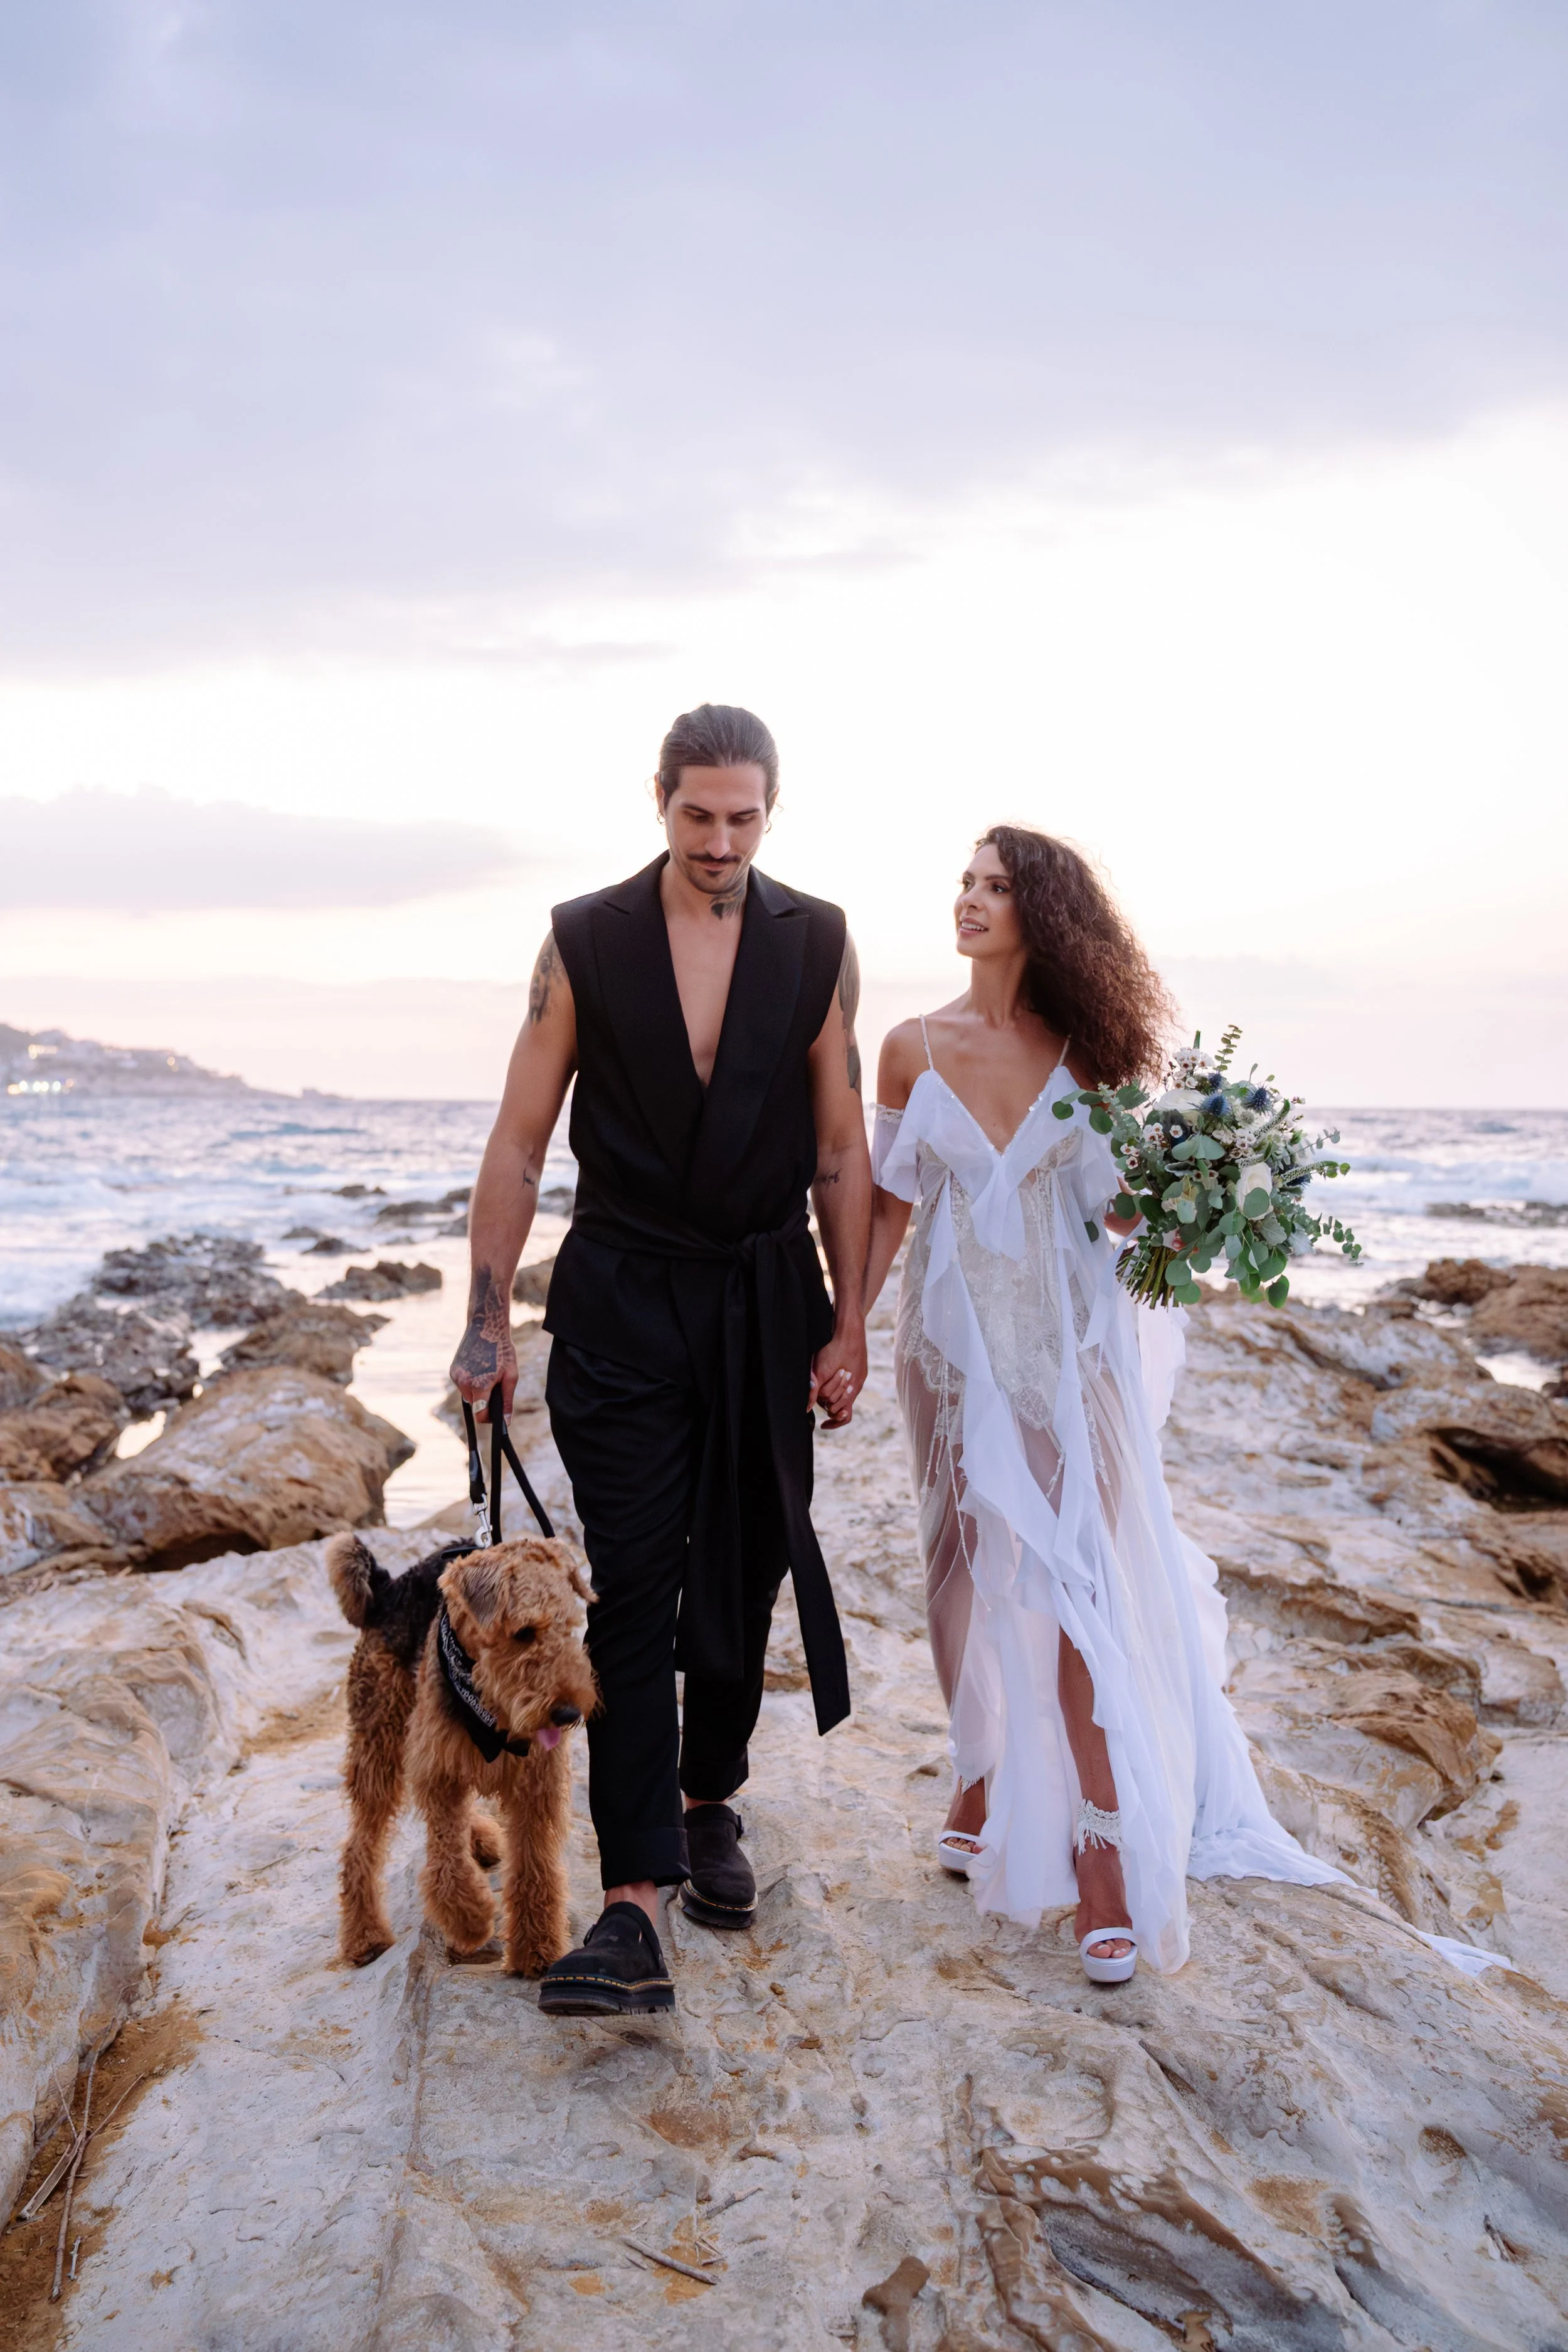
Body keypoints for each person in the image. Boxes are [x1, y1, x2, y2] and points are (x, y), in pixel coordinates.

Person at [862, 827, 1341, 1983]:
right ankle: (978, 1763)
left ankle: (1104, 1848)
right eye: (966, 882)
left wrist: (1205, 1199)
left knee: (1077, 1577)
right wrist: (839, 1332)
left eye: (997, 887)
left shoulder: (1095, 1058)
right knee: (958, 1569)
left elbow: (1126, 1224)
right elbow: (883, 1208)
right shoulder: (906, 1047)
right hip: (944, 1345)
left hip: (1068, 1355)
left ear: (1048, 916)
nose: (971, 901)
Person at [451, 703, 871, 2015]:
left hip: (761, 1298)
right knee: (627, 1587)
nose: (720, 840)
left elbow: (839, 1149)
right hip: (622, 1297)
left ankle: (707, 1803)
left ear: (770, 811)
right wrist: (481, 1320)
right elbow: (520, 1144)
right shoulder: (585, 940)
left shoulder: (818, 943)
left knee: (737, 1578)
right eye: (698, 815)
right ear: (660, 802)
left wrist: (850, 1320)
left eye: (743, 817)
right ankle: (631, 1899)